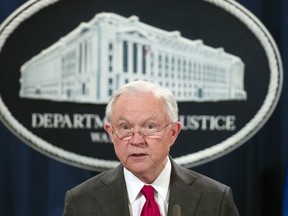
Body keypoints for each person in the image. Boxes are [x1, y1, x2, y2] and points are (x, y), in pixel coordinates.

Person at [62, 80, 239, 216]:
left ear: (173, 133)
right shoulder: (81, 201)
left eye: (150, 127)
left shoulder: (216, 199)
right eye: (125, 128)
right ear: (111, 132)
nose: (137, 140)